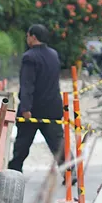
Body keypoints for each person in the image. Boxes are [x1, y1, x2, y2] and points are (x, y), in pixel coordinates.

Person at [8, 24, 69, 179]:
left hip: (33, 110)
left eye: (28, 35)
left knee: (22, 144)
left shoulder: (29, 57)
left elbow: (27, 84)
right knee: (57, 143)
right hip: (52, 108)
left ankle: (14, 172)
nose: (26, 38)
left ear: (33, 37)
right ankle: (70, 171)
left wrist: (26, 108)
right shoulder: (53, 54)